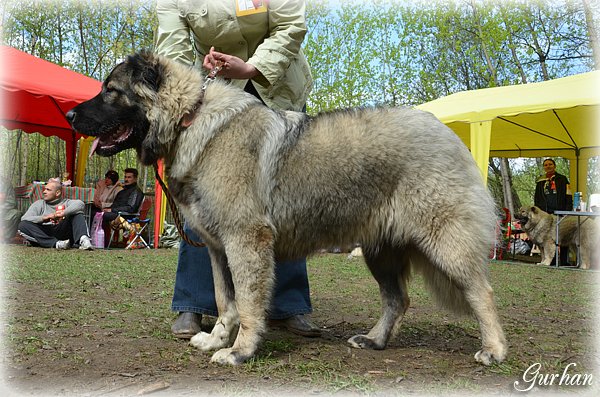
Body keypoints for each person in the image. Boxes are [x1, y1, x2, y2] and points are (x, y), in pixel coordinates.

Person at [156, 0, 320, 338]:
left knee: (285, 197)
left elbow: (290, 24)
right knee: (201, 196)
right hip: (208, 92)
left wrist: (250, 68)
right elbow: (171, 46)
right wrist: (189, 85)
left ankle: (286, 305)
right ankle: (196, 302)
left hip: (273, 84)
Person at [17, 179, 93, 250]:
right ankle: (56, 244)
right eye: (44, 189)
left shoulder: (67, 202)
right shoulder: (39, 203)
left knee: (77, 213)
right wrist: (44, 218)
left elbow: (80, 204)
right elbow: (25, 218)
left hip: (63, 232)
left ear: (57, 193)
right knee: (23, 225)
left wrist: (62, 213)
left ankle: (83, 240)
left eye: (48, 190)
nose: (44, 192)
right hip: (44, 232)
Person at [534, 158, 572, 265]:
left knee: (563, 235)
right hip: (545, 215)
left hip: (560, 213)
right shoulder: (540, 181)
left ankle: (564, 261)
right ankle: (551, 260)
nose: (548, 166)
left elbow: (569, 195)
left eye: (550, 164)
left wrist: (567, 211)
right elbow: (536, 198)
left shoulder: (562, 179)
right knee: (548, 237)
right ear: (544, 167)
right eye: (546, 165)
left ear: (554, 166)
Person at [102, 168, 144, 234]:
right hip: (117, 213)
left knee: (101, 215)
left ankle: (102, 240)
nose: (126, 179)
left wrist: (112, 210)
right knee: (96, 213)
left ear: (135, 179)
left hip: (126, 216)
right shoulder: (122, 191)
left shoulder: (136, 192)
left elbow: (131, 208)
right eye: (125, 177)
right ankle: (101, 240)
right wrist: (108, 209)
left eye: (129, 177)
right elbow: (115, 204)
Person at [0, 177, 21, 242]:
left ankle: (4, 237)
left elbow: (1, 198)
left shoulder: (3, 182)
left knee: (17, 213)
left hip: (5, 210)